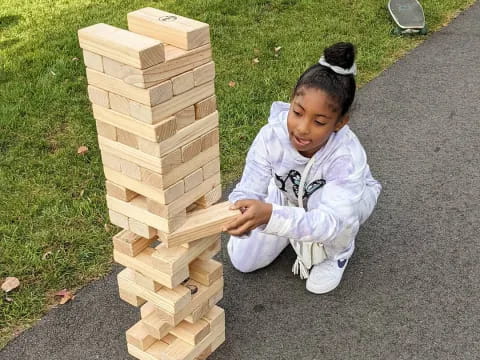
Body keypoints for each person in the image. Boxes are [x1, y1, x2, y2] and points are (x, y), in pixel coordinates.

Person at [223, 42, 382, 294]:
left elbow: (332, 222)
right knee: (243, 261)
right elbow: (248, 188)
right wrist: (241, 212)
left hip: (335, 206)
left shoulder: (346, 157)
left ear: (340, 122)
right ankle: (293, 222)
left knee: (333, 220)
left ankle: (339, 252)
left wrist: (270, 217)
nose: (302, 128)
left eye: (319, 121)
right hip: (291, 193)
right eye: (297, 112)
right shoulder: (271, 136)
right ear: (291, 102)